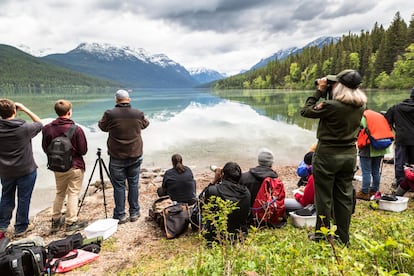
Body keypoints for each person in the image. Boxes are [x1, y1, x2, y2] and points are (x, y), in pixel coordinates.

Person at [301, 69, 367, 245]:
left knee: (323, 196)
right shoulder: (361, 105)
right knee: (344, 196)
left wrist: (320, 91)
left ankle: (321, 234)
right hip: (349, 156)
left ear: (340, 87)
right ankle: (342, 237)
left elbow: (305, 111)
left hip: (327, 155)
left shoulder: (331, 106)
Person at [98, 89, 150, 224]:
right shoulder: (138, 113)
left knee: (119, 186)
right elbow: (145, 124)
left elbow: (102, 127)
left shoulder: (110, 114)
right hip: (135, 154)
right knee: (133, 183)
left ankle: (120, 215)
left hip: (116, 156)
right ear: (129, 99)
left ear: (116, 100)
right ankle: (134, 212)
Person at [42, 100, 88, 234]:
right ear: (69, 112)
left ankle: (56, 220)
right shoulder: (76, 129)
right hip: (75, 166)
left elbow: (46, 148)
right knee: (73, 193)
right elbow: (83, 150)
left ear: (56, 112)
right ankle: (71, 222)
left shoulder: (47, 128)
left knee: (60, 192)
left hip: (57, 166)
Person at [0, 99, 43, 239]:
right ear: (14, 111)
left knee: (6, 197)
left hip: (6, 171)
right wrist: (24, 108)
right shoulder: (24, 128)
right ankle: (20, 227)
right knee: (24, 198)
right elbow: (40, 123)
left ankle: (2, 225)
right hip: (26, 170)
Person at [198, 162, 251, 242]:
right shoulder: (246, 192)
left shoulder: (213, 190)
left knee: (198, 210)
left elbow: (199, 203)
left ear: (222, 175)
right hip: (239, 236)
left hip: (216, 237)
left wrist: (214, 181)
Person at [356, 109, 390, 201]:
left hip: (368, 147)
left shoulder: (362, 117)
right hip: (380, 147)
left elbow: (356, 130)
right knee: (375, 171)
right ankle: (374, 190)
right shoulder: (379, 116)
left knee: (366, 171)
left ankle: (364, 192)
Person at [384, 87, 414, 191]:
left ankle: (401, 183)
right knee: (413, 162)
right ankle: (411, 185)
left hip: (401, 138)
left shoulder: (396, 107)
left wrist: (394, 130)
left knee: (400, 161)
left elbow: (386, 120)